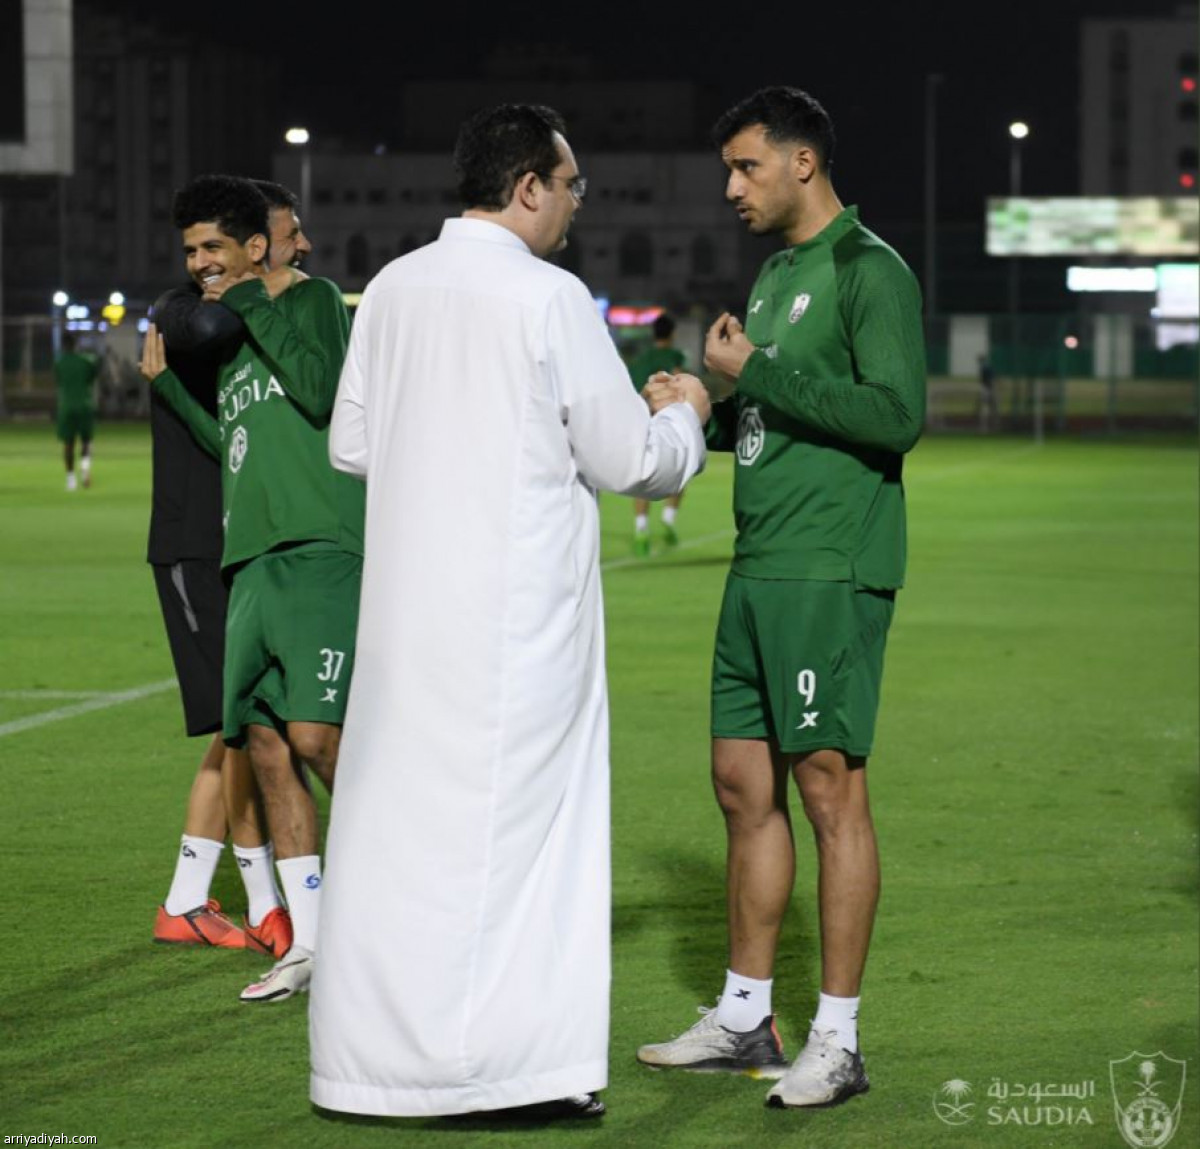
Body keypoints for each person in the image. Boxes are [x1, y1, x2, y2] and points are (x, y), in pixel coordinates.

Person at [309, 103, 709, 1120]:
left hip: (404, 625)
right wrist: (685, 417)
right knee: (529, 846)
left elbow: (351, 446)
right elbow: (630, 464)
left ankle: (373, 1072)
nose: (576, 205)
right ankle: (510, 1074)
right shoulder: (549, 296)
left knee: (395, 842)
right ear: (530, 185)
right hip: (515, 625)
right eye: (572, 187)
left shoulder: (392, 287)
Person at [635, 87, 926, 1110]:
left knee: (828, 793)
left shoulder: (868, 269)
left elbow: (895, 417)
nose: (730, 188)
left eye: (747, 167)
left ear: (803, 163)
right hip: (757, 569)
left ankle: (838, 1042)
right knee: (738, 786)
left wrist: (753, 367)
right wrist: (706, 403)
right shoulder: (774, 275)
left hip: (828, 570)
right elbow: (775, 418)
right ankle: (746, 1017)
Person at [140, 174, 363, 1004]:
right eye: (190, 251)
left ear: (255, 249)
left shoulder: (312, 304)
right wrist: (167, 391)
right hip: (250, 559)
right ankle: (310, 941)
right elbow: (231, 435)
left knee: (316, 737)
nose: (200, 265)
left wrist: (256, 305)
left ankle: (421, 888)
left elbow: (319, 395)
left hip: (318, 549)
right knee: (265, 743)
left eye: (213, 250)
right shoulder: (232, 335)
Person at [148, 179, 313, 957]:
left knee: (245, 725)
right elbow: (195, 315)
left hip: (242, 542)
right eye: (288, 235)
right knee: (244, 727)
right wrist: (257, 287)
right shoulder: (190, 315)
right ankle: (262, 901)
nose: (300, 248)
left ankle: (192, 897)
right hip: (195, 544)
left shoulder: (248, 317)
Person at [627, 312, 689, 555]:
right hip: (667, 419)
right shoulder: (674, 356)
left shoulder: (642, 359)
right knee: (680, 469)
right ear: (672, 334)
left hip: (643, 419)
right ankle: (669, 518)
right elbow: (677, 384)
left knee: (643, 475)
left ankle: (641, 528)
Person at [54, 333, 99, 491]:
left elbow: (59, 381)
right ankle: (85, 467)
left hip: (67, 406)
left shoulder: (59, 363)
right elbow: (92, 376)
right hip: (85, 405)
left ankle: (70, 479)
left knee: (68, 443)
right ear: (76, 344)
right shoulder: (86, 361)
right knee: (86, 441)